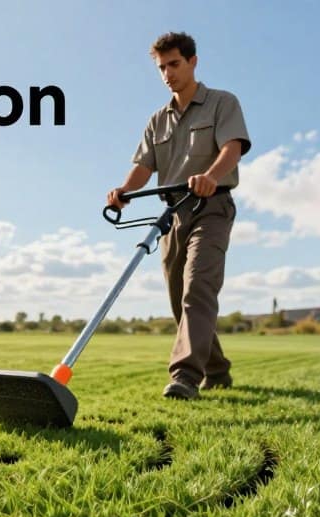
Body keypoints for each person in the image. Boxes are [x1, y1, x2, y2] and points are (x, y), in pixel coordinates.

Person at [106, 32, 251, 400]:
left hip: (212, 206)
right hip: (173, 212)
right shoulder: (158, 120)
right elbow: (144, 165)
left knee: (198, 287)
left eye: (174, 64)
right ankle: (217, 369)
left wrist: (211, 177)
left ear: (193, 62)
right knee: (178, 299)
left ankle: (185, 376)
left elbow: (232, 147)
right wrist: (124, 192)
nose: (168, 73)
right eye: (161, 68)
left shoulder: (221, 103)